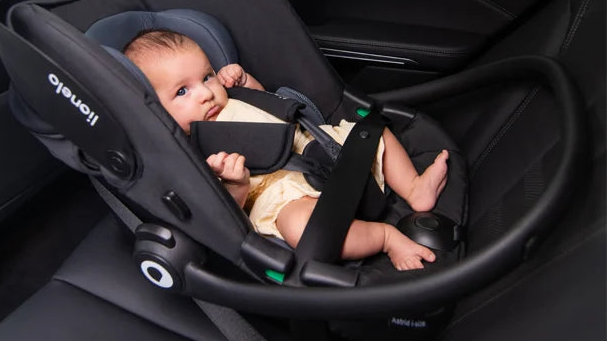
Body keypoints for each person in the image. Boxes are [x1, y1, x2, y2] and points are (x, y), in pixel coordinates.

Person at [123, 29, 450, 270]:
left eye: (207, 76)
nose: (205, 93)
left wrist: (246, 83)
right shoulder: (193, 152)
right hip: (282, 192)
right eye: (182, 91)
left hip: (322, 147)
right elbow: (225, 215)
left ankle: (414, 188)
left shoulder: (230, 96)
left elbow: (272, 106)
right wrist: (235, 185)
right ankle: (384, 236)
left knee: (374, 132)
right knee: (300, 228)